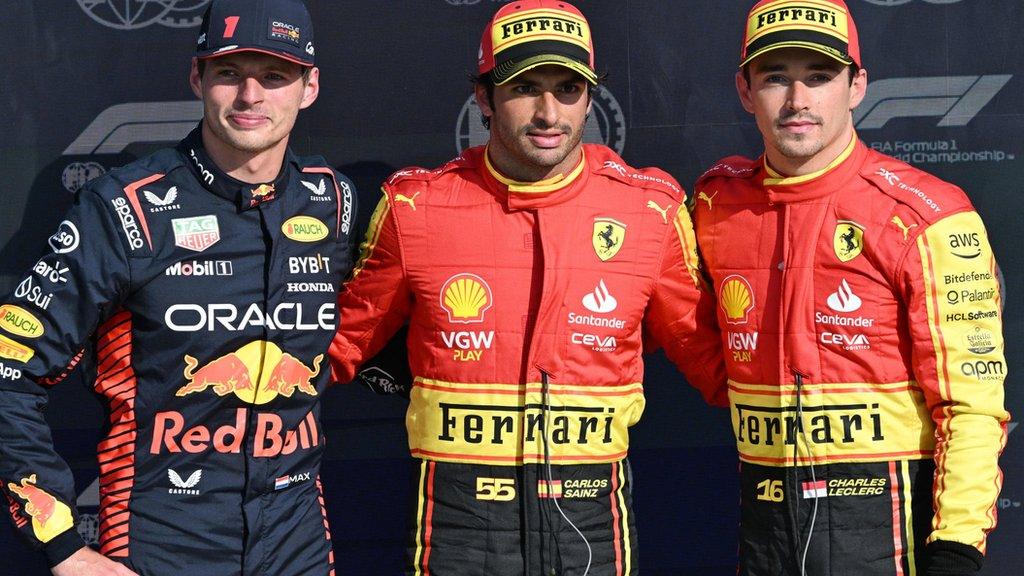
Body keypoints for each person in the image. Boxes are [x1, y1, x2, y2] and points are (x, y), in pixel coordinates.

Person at [327, 1, 726, 574]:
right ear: (485, 98)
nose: (548, 112)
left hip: (591, 518)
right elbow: (337, 348)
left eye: (567, 89)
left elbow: (717, 361)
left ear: (590, 97)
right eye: (524, 88)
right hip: (461, 522)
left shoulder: (649, 209)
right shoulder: (415, 206)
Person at [0, 0, 357, 574]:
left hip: (297, 544)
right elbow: (9, 368)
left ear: (308, 87)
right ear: (197, 77)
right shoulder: (125, 209)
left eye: (273, 76)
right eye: (228, 74)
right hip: (161, 543)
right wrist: (63, 549)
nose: (250, 97)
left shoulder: (333, 199)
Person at [692, 1, 1009, 574]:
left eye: (819, 77)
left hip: (891, 536)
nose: (797, 101)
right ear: (744, 91)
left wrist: (957, 545)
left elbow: (972, 408)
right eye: (775, 79)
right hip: (762, 532)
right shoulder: (716, 204)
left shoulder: (930, 215)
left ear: (857, 85)